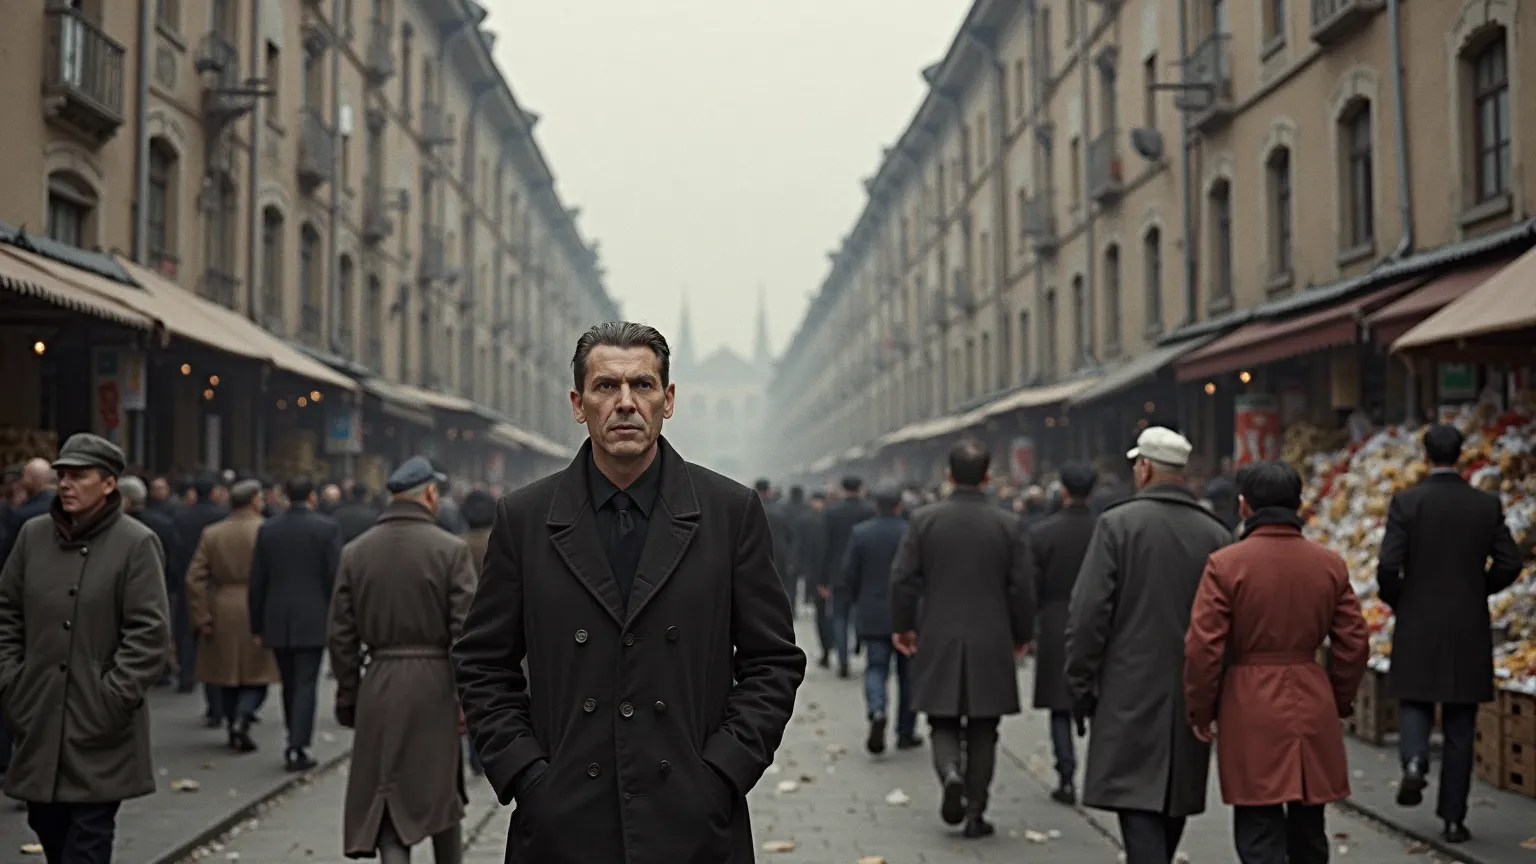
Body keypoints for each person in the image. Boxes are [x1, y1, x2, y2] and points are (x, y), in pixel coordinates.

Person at [455, 322, 805, 862]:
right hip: (563, 824)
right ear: (578, 403)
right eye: (605, 387)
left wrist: (722, 772)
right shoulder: (525, 518)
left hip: (692, 822)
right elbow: (482, 661)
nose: (625, 403)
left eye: (642, 385)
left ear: (668, 401)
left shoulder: (729, 512)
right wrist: (527, 774)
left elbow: (773, 661)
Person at [1184, 461, 1371, 864]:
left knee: (1258, 825)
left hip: (1249, 701)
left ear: (1244, 506)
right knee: (1309, 827)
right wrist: (1338, 698)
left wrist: (1201, 708)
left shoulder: (1226, 564)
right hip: (1311, 693)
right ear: (1298, 504)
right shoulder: (1329, 564)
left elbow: (1203, 647)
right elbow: (1354, 643)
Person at [0, 434, 171, 864]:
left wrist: (112, 695)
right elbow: (6, 613)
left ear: (109, 483)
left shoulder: (136, 543)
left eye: (79, 475)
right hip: (38, 715)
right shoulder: (33, 536)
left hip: (100, 727)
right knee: (49, 828)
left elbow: (149, 632)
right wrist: (12, 682)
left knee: (88, 842)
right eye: (61, 475)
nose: (66, 484)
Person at [1066, 426, 1233, 864]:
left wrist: (1080, 682)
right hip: (1191, 690)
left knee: (1136, 797)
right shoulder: (1215, 534)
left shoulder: (1117, 525)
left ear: (1143, 468)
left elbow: (1088, 615)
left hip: (1128, 686)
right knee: (1174, 795)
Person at [1376, 423, 1521, 843]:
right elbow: (1509, 562)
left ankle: (1415, 761)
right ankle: (1454, 819)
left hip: (1418, 619)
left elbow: (1388, 565)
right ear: (1460, 456)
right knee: (1461, 720)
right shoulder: (1485, 505)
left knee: (1416, 700)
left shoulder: (1407, 503)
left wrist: (1400, 598)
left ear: (1426, 456)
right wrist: (1480, 589)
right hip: (1467, 624)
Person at [330, 457, 477, 864]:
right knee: (440, 789)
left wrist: (350, 692)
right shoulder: (450, 551)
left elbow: (340, 636)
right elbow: (466, 634)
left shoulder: (355, 553)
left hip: (379, 680)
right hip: (435, 686)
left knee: (388, 791)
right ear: (430, 495)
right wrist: (468, 697)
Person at [891, 440, 1034, 837]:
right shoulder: (1008, 524)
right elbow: (1022, 586)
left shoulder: (924, 520)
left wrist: (903, 626)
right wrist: (1023, 633)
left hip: (939, 631)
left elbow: (903, 579)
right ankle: (975, 810)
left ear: (949, 476)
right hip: (992, 635)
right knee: (985, 728)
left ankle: (951, 771)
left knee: (942, 721)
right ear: (988, 476)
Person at [249, 475, 343, 772]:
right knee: (306, 683)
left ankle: (294, 736)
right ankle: (298, 745)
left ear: (285, 495)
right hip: (313, 616)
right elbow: (334, 577)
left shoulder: (269, 529)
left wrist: (256, 623)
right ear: (312, 497)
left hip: (276, 615)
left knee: (288, 683)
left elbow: (257, 581)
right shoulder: (326, 529)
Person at [185, 479, 279, 753]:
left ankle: (231, 723)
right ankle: (244, 715)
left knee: (224, 673)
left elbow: (195, 577)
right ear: (254, 500)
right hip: (257, 605)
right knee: (259, 673)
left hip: (223, 605)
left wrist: (201, 614)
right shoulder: (265, 530)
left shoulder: (212, 533)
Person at [1028, 461, 1099, 805]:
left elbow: (1031, 586)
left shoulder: (1043, 533)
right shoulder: (1107, 529)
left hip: (1057, 621)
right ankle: (1101, 774)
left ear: (1064, 491)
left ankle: (1066, 774)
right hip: (1102, 622)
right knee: (1103, 701)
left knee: (1059, 705)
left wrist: (1027, 625)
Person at [842, 483, 920, 755]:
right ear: (900, 504)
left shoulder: (861, 533)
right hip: (908, 614)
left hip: (872, 611)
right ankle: (905, 731)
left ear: (875, 505)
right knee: (908, 674)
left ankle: (877, 710)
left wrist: (854, 601)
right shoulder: (911, 533)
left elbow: (849, 572)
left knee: (875, 668)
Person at [821, 476, 874, 677]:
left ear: (842, 488)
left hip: (838, 573)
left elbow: (825, 546)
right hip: (865, 573)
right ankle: (863, 649)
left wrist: (822, 578)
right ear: (861, 488)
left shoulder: (832, 512)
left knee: (840, 617)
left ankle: (843, 660)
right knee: (860, 615)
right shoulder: (869, 511)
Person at [755, 479, 798, 601]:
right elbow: (791, 535)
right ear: (769, 490)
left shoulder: (748, 508)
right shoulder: (781, 510)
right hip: (778, 553)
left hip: (755, 553)